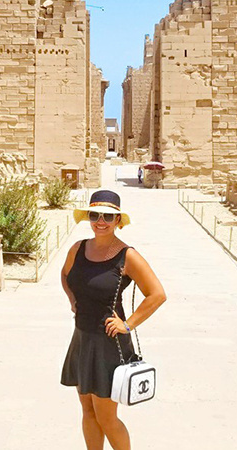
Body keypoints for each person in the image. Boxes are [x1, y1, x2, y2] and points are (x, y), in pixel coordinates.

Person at [60, 190, 167, 450]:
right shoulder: (78, 248)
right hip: (82, 339)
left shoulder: (127, 256)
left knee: (106, 417)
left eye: (108, 216)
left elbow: (157, 294)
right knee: (87, 410)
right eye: (95, 215)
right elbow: (65, 275)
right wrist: (73, 299)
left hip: (108, 344)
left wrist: (128, 324)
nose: (101, 221)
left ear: (118, 220)